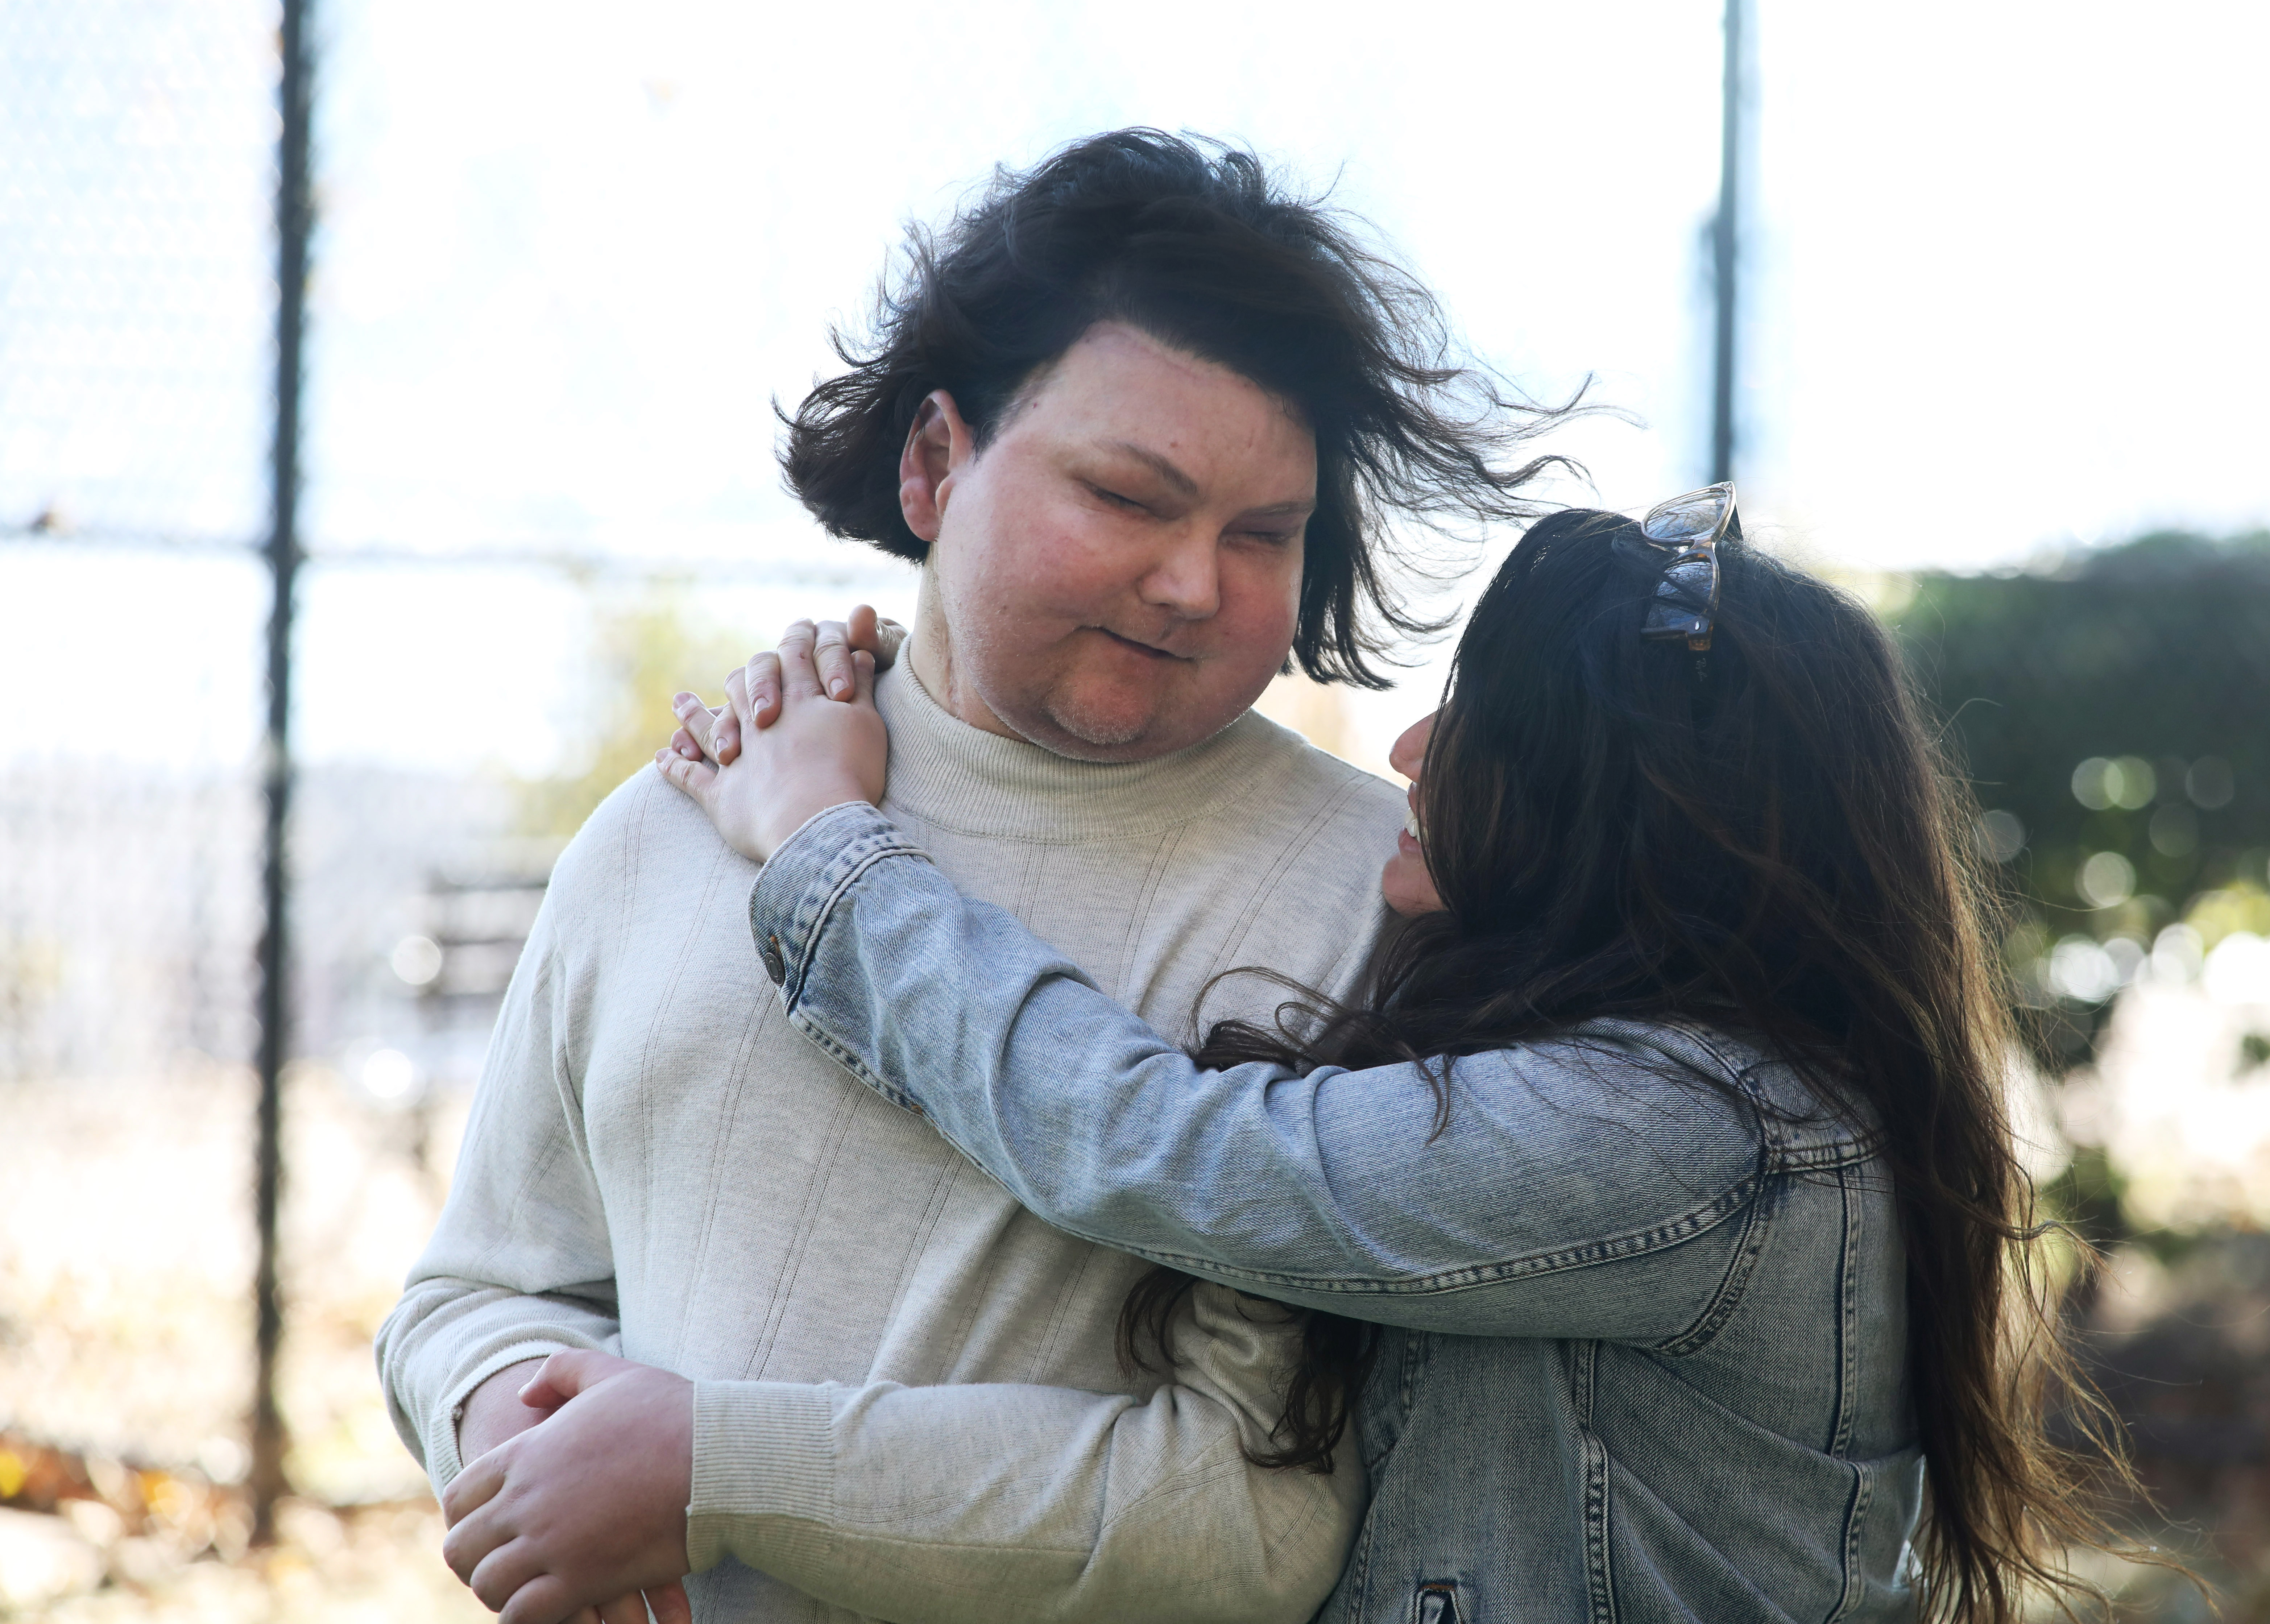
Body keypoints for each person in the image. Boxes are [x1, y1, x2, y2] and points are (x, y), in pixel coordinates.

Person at [554, 494, 2140, 1621]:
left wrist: (828, 848)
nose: (1407, 751)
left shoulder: (1697, 1133)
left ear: (1616, 814)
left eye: (1481, 726)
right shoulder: (1677, 1085)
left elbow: (1175, 1152)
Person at [377, 128, 1565, 1624]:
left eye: (1264, 534)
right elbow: (478, 1288)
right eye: (1129, 498)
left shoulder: (1373, 900)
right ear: (936, 462)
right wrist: (514, 1426)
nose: (1194, 582)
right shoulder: (674, 816)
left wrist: (710, 1466)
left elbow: (1258, 1514)